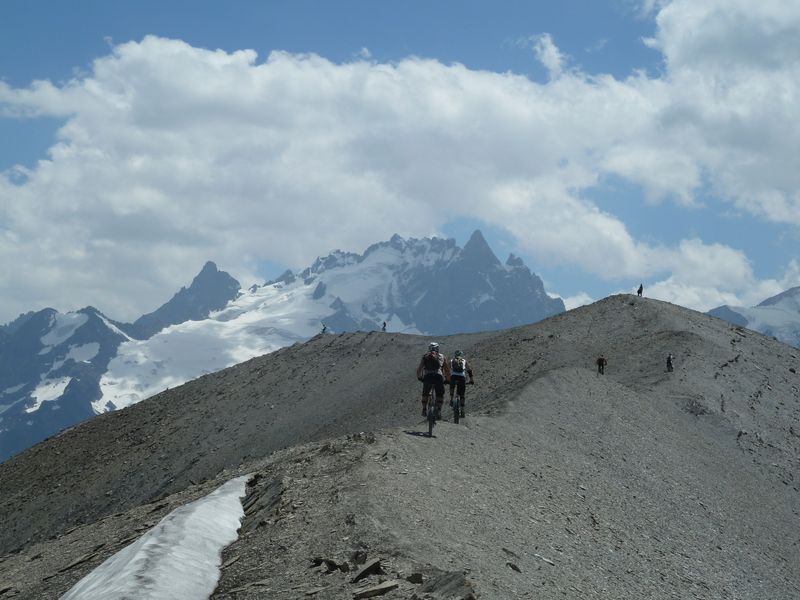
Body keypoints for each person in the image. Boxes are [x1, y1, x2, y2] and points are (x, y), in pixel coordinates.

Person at [416, 342, 451, 419]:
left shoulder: (425, 356)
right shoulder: (442, 356)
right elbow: (447, 371)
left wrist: (419, 378)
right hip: (438, 377)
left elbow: (419, 370)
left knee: (425, 393)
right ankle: (439, 411)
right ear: (438, 348)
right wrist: (448, 380)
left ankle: (424, 409)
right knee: (440, 394)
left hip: (427, 377)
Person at [449, 350, 474, 418]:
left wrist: (448, 379)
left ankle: (451, 399)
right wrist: (471, 380)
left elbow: (448, 370)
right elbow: (469, 370)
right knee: (462, 394)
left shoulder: (451, 360)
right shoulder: (464, 361)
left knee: (452, 387)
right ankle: (462, 410)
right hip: (462, 377)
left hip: (453, 377)